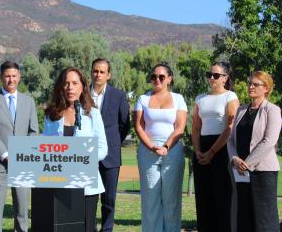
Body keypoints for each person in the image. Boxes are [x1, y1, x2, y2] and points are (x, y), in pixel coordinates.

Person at [42, 67, 108, 232]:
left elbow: (102, 148)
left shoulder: (92, 114)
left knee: (87, 228)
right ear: (60, 87)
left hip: (86, 183)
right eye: (66, 83)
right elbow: (44, 148)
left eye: (74, 83)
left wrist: (82, 159)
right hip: (59, 183)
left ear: (82, 86)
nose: (70, 87)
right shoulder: (51, 115)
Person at [0, 61, 38, 232]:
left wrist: (21, 154)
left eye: (14, 76)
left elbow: (34, 131)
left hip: (22, 164)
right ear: (1, 78)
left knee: (22, 210)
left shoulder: (28, 102)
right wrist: (6, 154)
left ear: (19, 77)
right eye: (7, 76)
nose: (11, 79)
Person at [134, 63, 187, 232]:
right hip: (147, 151)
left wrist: (166, 146)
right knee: (150, 199)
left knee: (171, 199)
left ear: (169, 79)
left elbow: (180, 127)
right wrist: (151, 146)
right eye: (154, 76)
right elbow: (138, 126)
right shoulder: (142, 99)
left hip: (172, 150)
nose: (157, 79)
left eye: (161, 77)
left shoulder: (179, 99)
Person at [227, 71, 282, 232]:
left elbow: (269, 141)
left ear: (266, 88)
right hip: (241, 172)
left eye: (255, 84)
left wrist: (247, 164)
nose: (251, 86)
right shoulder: (241, 110)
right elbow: (230, 139)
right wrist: (235, 159)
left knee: (265, 219)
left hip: (263, 172)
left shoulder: (272, 110)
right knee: (244, 216)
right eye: (250, 83)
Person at [192, 62, 239, 232]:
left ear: (225, 78)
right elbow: (196, 128)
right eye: (209, 74)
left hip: (221, 150)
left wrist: (212, 152)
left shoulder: (230, 97)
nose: (211, 78)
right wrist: (198, 151)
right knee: (204, 198)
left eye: (216, 75)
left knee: (222, 197)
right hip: (201, 150)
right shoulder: (200, 98)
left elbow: (230, 127)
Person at [90, 58, 130, 232]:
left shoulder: (118, 95)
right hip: (86, 154)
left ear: (109, 75)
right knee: (88, 199)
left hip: (110, 155)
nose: (97, 74)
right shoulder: (81, 94)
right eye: (95, 71)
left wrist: (111, 143)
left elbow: (124, 124)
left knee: (109, 200)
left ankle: (107, 229)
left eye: (101, 72)